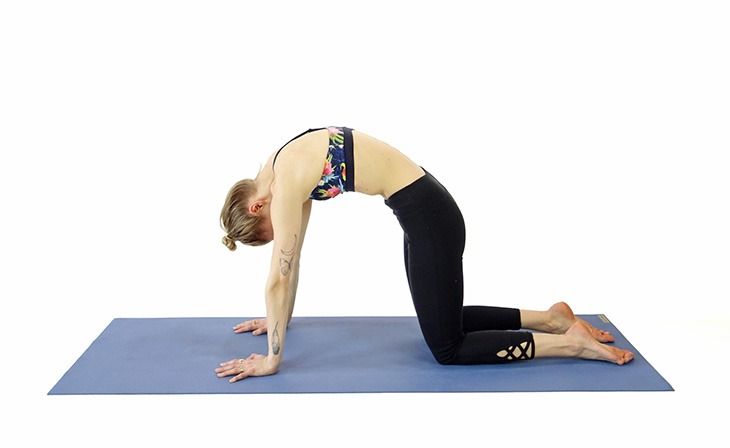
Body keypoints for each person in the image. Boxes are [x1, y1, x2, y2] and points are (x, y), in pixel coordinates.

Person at [215, 126, 634, 383]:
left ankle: (572, 344)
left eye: (266, 233)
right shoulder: (280, 162)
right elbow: (294, 259)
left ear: (257, 207)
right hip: (421, 212)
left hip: (430, 216)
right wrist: (278, 320)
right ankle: (554, 319)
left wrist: (272, 360)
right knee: (440, 321)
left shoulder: (286, 180)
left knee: (447, 347)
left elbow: (279, 274)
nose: (278, 235)